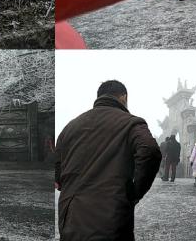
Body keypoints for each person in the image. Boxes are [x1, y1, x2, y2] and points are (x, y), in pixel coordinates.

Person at [55, 80, 161, 240]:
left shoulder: (70, 127)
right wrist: (134, 192)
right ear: (123, 97)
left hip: (70, 216)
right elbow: (150, 151)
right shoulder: (131, 123)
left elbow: (57, 163)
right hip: (111, 216)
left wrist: (63, 183)